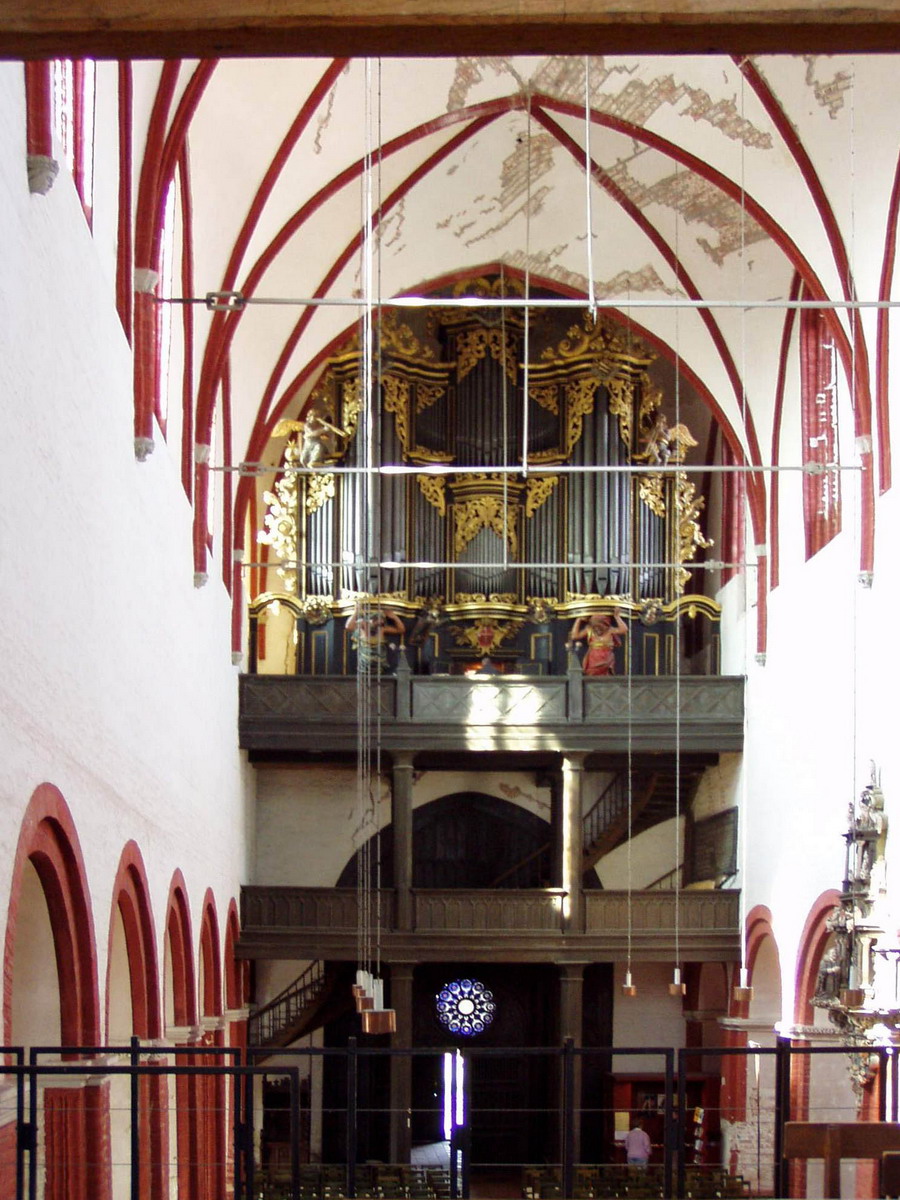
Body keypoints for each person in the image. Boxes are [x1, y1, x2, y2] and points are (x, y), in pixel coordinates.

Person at [346, 604, 405, 672]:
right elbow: (349, 627)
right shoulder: (362, 626)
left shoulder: (382, 629)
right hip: (365, 659)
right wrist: (356, 612)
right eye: (379, 620)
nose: (382, 622)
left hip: (379, 659)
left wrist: (394, 617)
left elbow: (401, 630)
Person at [568, 610, 628, 676]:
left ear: (605, 625)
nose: (597, 629)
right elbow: (575, 636)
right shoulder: (589, 630)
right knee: (592, 675)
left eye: (600, 627)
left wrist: (617, 617)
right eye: (595, 627)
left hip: (607, 658)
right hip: (593, 658)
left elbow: (624, 630)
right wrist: (578, 619)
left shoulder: (610, 630)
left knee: (606, 676)